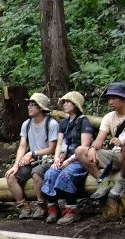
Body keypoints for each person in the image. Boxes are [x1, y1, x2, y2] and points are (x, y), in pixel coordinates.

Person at [80, 81, 125, 200]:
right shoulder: (108, 117)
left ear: (124, 99)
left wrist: (123, 142)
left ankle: (121, 181)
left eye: (114, 98)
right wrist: (92, 148)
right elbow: (99, 139)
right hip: (117, 155)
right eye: (109, 98)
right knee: (80, 151)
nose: (110, 102)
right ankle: (103, 181)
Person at [40, 92, 95, 226]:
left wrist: (69, 160)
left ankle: (72, 210)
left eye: (68, 102)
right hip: (64, 158)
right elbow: (59, 143)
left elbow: (84, 146)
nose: (65, 104)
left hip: (79, 159)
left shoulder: (84, 121)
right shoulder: (63, 123)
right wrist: (57, 159)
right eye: (63, 102)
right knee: (50, 174)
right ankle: (53, 208)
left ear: (76, 104)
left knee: (66, 175)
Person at [5, 93, 60, 219]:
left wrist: (32, 153)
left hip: (49, 158)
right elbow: (22, 146)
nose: (29, 107)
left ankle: (41, 205)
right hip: (33, 159)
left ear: (41, 107)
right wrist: (15, 165)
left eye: (33, 104)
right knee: (11, 177)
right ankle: (24, 206)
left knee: (36, 173)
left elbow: (52, 148)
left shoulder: (51, 124)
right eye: (28, 104)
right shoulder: (26, 124)